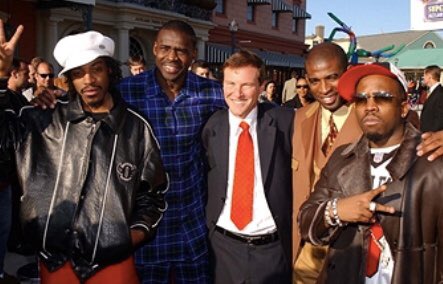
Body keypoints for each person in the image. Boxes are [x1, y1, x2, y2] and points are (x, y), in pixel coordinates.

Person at [0, 21, 168, 284]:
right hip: (55, 264)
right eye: (78, 73)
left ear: (110, 72)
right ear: (69, 79)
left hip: (115, 265)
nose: (88, 80)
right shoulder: (43, 118)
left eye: (96, 69)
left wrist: (125, 239)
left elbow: (153, 198)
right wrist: (0, 76)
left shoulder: (136, 127)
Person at [298, 62, 443, 284]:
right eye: (361, 99)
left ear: (404, 108)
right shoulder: (341, 158)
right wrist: (336, 210)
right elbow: (305, 222)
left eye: (382, 97)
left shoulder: (433, 161)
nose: (370, 106)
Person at [118, 20, 226, 283]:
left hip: (192, 223)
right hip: (145, 224)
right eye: (165, 48)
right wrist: (46, 99)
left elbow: (251, 110)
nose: (172, 57)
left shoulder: (212, 93)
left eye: (181, 50)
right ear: (154, 49)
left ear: (193, 54)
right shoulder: (126, 92)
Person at [202, 50, 294, 283]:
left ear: (261, 86)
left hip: (272, 251)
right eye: (230, 83)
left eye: (246, 85)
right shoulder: (212, 126)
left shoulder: (285, 122)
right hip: (222, 248)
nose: (237, 93)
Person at [292, 42, 363, 283]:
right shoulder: (299, 118)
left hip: (351, 251)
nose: (324, 89)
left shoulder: (373, 118)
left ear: (348, 72)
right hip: (304, 251)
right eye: (314, 81)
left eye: (332, 77)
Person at [420, 65, 443, 132]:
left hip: (433, 136)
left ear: (429, 76)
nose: (423, 77)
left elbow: (440, 118)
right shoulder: (432, 91)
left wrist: (431, 134)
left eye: (424, 75)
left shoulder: (440, 93)